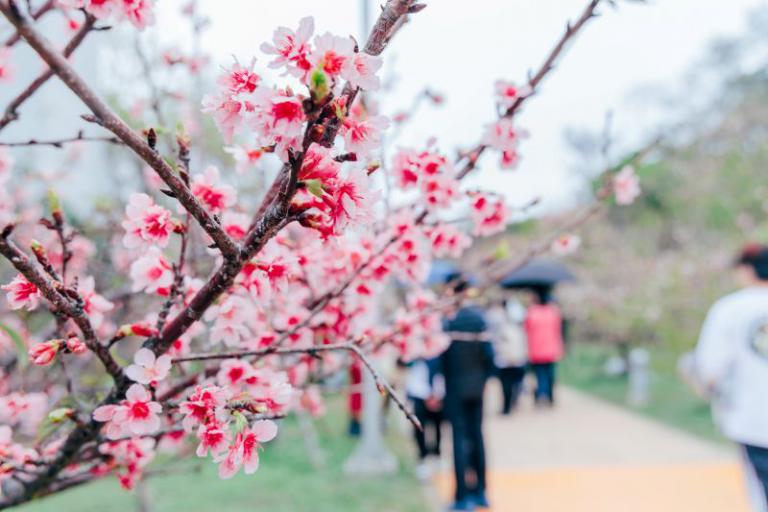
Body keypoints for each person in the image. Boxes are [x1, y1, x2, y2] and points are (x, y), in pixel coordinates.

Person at [693, 244, 768, 511]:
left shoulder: (730, 309)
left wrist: (707, 387)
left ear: (747, 270)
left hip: (753, 419)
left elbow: (710, 367)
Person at [440, 274, 495, 512]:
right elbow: (490, 356)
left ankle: (462, 497)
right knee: (477, 436)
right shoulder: (480, 318)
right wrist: (484, 379)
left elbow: (439, 358)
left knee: (459, 440)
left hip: (455, 387)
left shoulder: (449, 321)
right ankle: (481, 492)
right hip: (477, 387)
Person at [403, 357, 444, 480]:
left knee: (438, 426)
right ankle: (422, 459)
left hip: (438, 394)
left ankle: (437, 454)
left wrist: (436, 395)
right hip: (419, 395)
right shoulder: (417, 356)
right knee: (419, 429)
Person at [524, 286, 564, 406]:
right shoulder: (554, 312)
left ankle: (542, 395)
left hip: (536, 350)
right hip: (551, 349)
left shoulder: (531, 312)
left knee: (540, 374)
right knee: (550, 373)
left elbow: (527, 330)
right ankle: (549, 395)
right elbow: (558, 331)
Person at [487, 298, 528, 414]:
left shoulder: (498, 320)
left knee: (506, 383)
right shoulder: (518, 325)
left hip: (506, 358)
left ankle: (507, 405)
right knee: (514, 382)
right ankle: (511, 402)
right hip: (516, 358)